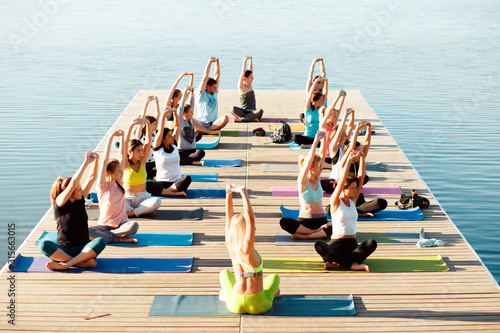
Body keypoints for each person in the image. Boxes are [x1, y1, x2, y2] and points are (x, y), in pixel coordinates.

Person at [39, 151, 107, 270]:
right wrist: (86, 162)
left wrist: (96, 161)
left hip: (83, 248)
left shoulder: (79, 200)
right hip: (64, 250)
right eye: (79, 189)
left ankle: (68, 264)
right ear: (70, 193)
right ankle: (79, 262)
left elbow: (91, 178)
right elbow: (73, 184)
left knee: (101, 241)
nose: (82, 191)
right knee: (43, 245)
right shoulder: (60, 203)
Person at [314, 145, 377, 272]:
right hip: (336, 245)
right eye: (352, 188)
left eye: (355, 188)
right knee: (319, 245)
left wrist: (362, 159)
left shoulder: (353, 201)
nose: (355, 191)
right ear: (343, 189)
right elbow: (341, 180)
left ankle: (339, 263)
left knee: (372, 243)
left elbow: (360, 178)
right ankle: (351, 264)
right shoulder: (336, 201)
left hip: (352, 245)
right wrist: (348, 160)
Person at [219, 184, 280, 314]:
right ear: (245, 229)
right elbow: (251, 219)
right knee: (274, 277)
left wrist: (228, 194)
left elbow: (228, 218)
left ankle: (227, 297)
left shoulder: (230, 245)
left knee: (224, 273)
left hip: (235, 305)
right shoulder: (247, 247)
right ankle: (270, 296)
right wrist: (243, 193)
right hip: (259, 304)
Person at [88, 130, 139, 244]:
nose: (122, 173)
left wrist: (122, 137)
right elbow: (105, 160)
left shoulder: (119, 183)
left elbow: (122, 156)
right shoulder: (103, 186)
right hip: (104, 226)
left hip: (122, 225)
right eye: (119, 171)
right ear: (110, 172)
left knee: (134, 226)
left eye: (122, 170)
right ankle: (119, 239)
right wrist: (110, 137)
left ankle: (108, 237)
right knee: (87, 231)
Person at [279, 131, 331, 240]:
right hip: (304, 221)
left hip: (321, 220)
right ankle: (314, 233)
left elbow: (322, 155)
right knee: (283, 222)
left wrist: (324, 139)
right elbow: (308, 161)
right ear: (311, 169)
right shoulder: (303, 181)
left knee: (336, 227)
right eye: (318, 167)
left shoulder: (317, 178)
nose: (321, 169)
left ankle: (306, 236)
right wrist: (316, 140)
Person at [146, 107, 192, 197]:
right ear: (163, 139)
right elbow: (159, 132)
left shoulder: (174, 145)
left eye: (172, 136)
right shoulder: (158, 150)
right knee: (147, 185)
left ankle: (167, 192)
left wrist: (175, 112)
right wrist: (163, 115)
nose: (172, 137)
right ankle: (174, 193)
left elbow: (177, 127)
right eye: (169, 136)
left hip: (176, 182)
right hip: (161, 182)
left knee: (187, 178)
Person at [123, 116, 162, 217]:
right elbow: (125, 143)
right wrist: (131, 125)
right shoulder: (125, 163)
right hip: (127, 199)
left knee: (157, 201)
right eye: (138, 151)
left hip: (143, 198)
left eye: (141, 150)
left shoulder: (142, 162)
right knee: (115, 202)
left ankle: (132, 213)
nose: (141, 153)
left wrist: (148, 124)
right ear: (130, 151)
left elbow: (148, 142)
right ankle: (141, 211)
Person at [178, 84, 220, 165]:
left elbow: (192, 106)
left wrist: (192, 93)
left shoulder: (190, 121)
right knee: (176, 158)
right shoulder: (180, 121)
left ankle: (188, 161)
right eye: (191, 112)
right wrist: (184, 95)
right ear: (185, 113)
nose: (193, 113)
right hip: (182, 151)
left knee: (201, 152)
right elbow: (180, 108)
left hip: (192, 151)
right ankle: (193, 162)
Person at [293, 76, 328, 148]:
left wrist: (326, 82)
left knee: (327, 140)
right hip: (308, 137)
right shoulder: (307, 109)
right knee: (295, 137)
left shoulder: (321, 109)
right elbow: (309, 95)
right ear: (315, 101)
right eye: (320, 100)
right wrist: (315, 82)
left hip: (318, 138)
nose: (322, 101)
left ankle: (310, 146)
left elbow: (325, 93)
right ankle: (312, 144)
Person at [195, 57, 228, 132]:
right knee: (190, 120)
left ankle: (207, 130)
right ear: (208, 87)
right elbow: (205, 78)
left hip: (213, 124)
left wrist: (217, 63)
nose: (216, 89)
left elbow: (217, 75)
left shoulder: (214, 93)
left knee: (225, 118)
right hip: (202, 123)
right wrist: (209, 62)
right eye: (214, 87)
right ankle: (206, 130)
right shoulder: (201, 94)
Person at [230, 56, 264, 122]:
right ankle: (250, 118)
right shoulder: (241, 87)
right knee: (232, 109)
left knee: (260, 111)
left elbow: (250, 70)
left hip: (253, 111)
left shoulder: (250, 85)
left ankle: (242, 119)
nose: (252, 78)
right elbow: (243, 73)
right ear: (246, 78)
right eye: (251, 77)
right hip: (243, 111)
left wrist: (251, 60)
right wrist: (245, 60)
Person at [137, 95, 161, 180]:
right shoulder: (140, 135)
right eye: (153, 124)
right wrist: (147, 102)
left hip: (154, 162)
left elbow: (158, 114)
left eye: (155, 124)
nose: (155, 126)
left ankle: (153, 177)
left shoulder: (154, 133)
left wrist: (156, 102)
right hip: (144, 163)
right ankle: (152, 177)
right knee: (143, 173)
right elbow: (142, 117)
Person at [301, 58, 328, 123]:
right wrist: (313, 63)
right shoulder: (310, 93)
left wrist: (322, 62)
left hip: (323, 113)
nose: (323, 84)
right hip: (313, 115)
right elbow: (310, 77)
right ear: (317, 83)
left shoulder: (322, 92)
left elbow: (323, 74)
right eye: (321, 82)